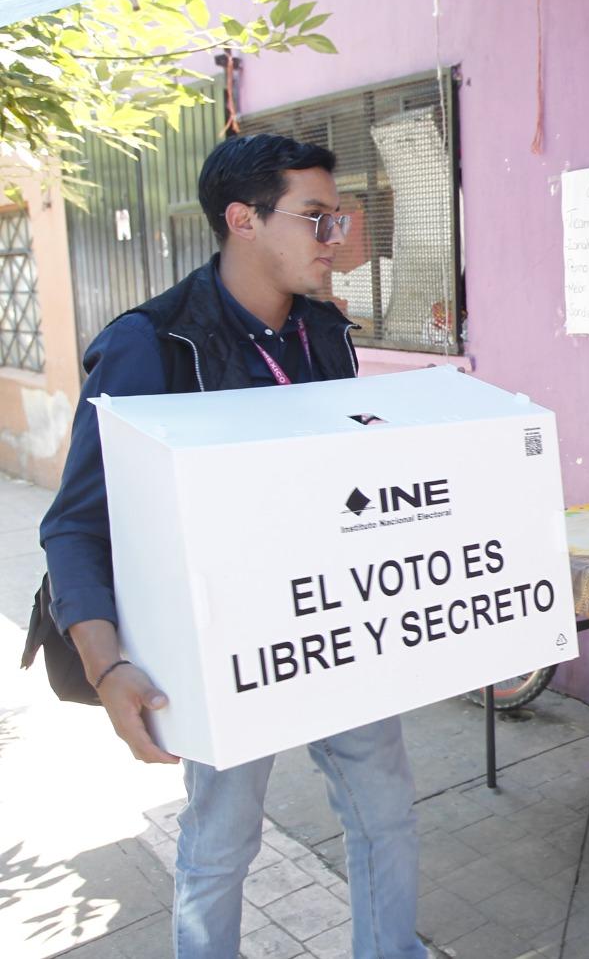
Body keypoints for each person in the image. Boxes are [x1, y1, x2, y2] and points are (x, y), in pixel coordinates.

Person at [39, 134, 428, 959]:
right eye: (317, 218)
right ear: (243, 219)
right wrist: (108, 668)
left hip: (336, 626)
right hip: (220, 648)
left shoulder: (324, 332)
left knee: (387, 814)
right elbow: (75, 523)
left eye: (340, 217)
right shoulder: (151, 344)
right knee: (220, 846)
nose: (339, 241)